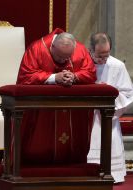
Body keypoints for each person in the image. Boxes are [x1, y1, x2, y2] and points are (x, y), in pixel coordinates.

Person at [17, 28, 97, 165]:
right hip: (42, 109)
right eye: (60, 57)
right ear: (52, 46)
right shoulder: (37, 49)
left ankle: (73, 165)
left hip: (72, 108)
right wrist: (54, 78)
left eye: (67, 57)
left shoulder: (80, 50)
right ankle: (35, 165)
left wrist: (75, 76)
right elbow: (26, 76)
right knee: (40, 143)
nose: (63, 60)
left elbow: (90, 72)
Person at [87, 32, 133, 183]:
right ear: (91, 50)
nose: (103, 59)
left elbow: (127, 93)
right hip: (86, 115)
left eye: (107, 55)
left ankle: (113, 173)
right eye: (100, 56)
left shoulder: (117, 65)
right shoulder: (83, 64)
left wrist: (109, 95)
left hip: (108, 115)